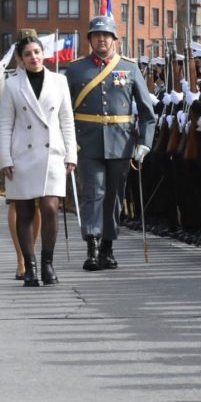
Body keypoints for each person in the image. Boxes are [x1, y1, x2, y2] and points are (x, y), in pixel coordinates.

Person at [65, 16, 157, 271]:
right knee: (93, 193)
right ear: (90, 39)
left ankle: (108, 246)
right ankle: (92, 247)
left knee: (114, 197)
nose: (101, 39)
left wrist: (144, 143)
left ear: (115, 39)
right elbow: (63, 110)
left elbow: (148, 113)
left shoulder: (130, 68)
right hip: (87, 143)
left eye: (106, 35)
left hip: (121, 143)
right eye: (96, 35)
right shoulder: (75, 70)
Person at [0, 35, 76, 286]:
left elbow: (66, 119)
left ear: (44, 53)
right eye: (28, 54)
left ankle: (47, 264)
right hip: (22, 154)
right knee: (24, 211)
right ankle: (29, 266)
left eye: (37, 52)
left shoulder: (59, 81)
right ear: (20, 59)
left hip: (52, 151)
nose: (34, 57)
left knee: (51, 208)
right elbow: (5, 124)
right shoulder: (11, 84)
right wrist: (5, 158)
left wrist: (71, 153)